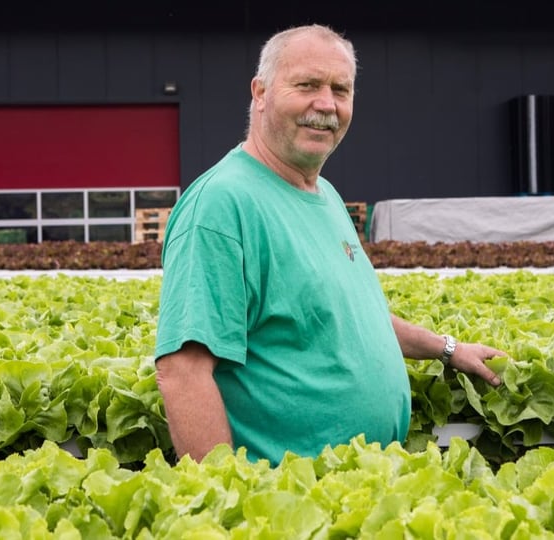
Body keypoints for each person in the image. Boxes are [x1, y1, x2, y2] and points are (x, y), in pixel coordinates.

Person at [154, 24, 507, 465]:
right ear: (260, 93)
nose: (326, 105)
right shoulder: (223, 204)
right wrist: (223, 500)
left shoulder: (326, 196)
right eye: (307, 86)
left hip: (359, 492)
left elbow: (350, 315)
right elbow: (183, 372)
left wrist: (448, 349)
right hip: (287, 504)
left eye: (341, 89)